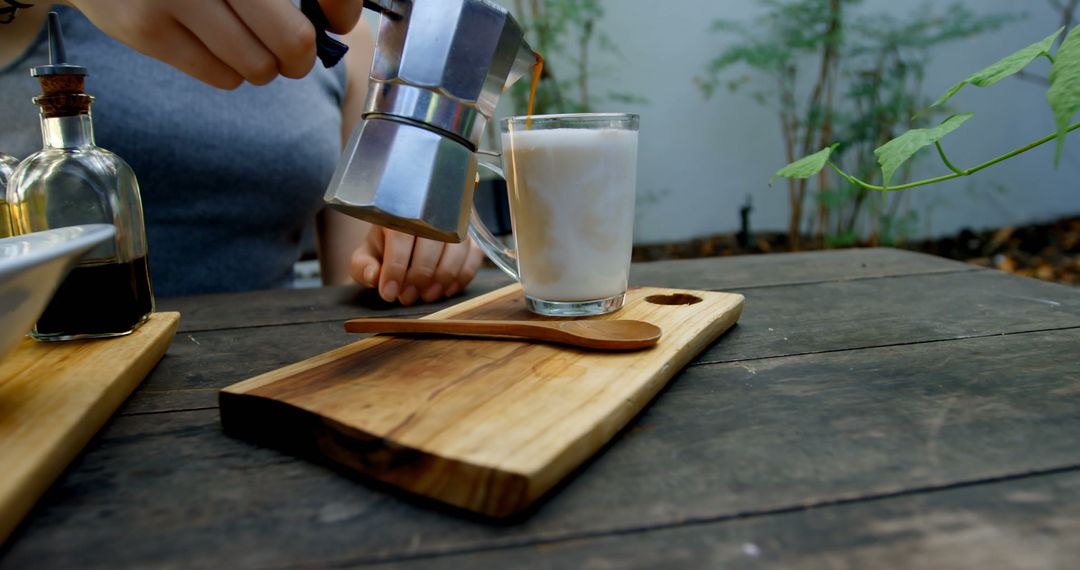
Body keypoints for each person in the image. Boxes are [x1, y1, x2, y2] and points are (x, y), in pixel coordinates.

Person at [0, 0, 485, 304]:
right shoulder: (25, 17)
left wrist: (407, 256)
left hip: (265, 375)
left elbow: (355, 278)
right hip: (56, 391)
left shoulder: (344, 43)